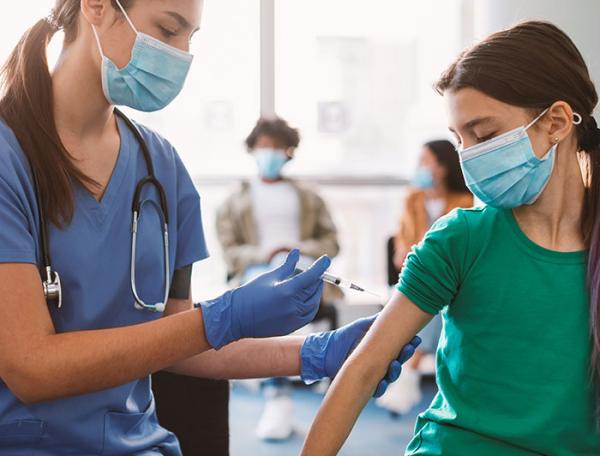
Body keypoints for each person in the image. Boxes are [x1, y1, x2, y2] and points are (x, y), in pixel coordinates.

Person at [0, 1, 421, 454]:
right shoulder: (10, 159)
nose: (180, 54)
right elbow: (32, 368)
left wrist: (313, 352)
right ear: (98, 7)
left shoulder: (160, 167)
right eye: (167, 29)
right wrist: (224, 317)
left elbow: (175, 339)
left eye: (190, 38)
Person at [301, 20, 600, 455]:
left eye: (484, 136)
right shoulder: (460, 239)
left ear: (555, 122)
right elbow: (364, 367)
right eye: (460, 141)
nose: (470, 157)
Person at [216, 116, 342, 441]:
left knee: (290, 289)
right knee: (270, 294)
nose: (269, 153)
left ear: (289, 152)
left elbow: (331, 242)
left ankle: (286, 388)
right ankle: (278, 395)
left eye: (276, 147)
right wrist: (267, 254)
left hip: (305, 266)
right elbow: (231, 252)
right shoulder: (234, 201)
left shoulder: (308, 197)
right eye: (263, 147)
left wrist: (296, 249)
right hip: (261, 271)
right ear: (253, 149)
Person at [379, 140, 473, 415]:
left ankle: (408, 371)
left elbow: (452, 252)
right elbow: (404, 253)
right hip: (417, 278)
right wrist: (420, 210)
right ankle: (410, 371)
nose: (418, 167)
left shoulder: (464, 202)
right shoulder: (413, 200)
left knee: (437, 300)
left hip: (454, 281)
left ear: (442, 168)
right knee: (431, 298)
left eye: (424, 160)